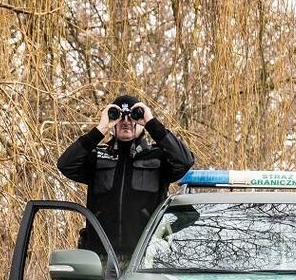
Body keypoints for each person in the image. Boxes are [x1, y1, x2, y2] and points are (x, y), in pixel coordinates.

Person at [57, 94, 195, 264]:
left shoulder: (158, 157)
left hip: (146, 258)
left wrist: (152, 123)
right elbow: (65, 164)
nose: (126, 121)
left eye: (132, 116)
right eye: (119, 117)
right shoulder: (98, 157)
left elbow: (185, 160)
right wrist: (100, 128)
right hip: (100, 259)